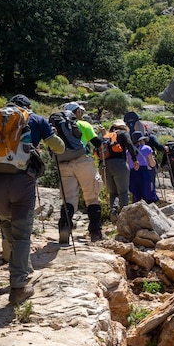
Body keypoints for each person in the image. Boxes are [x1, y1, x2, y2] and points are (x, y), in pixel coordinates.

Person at [0, 94, 65, 304]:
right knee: (22, 234)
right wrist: (51, 134)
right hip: (22, 183)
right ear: (28, 106)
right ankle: (18, 287)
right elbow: (59, 148)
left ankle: (20, 265)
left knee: (6, 223)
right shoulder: (35, 119)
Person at [55, 102, 104, 243]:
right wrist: (103, 135)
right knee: (92, 196)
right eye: (80, 112)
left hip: (63, 162)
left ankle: (64, 227)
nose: (81, 114)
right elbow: (97, 143)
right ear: (76, 112)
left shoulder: (60, 126)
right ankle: (95, 231)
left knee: (68, 198)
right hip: (83, 161)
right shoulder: (84, 125)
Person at [98, 120, 138, 224]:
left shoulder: (105, 136)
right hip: (119, 164)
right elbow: (129, 145)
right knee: (123, 192)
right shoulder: (123, 133)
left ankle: (114, 210)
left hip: (103, 166)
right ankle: (125, 216)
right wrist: (135, 160)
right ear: (123, 127)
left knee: (113, 192)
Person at [128, 132, 158, 203]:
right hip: (144, 173)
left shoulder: (128, 151)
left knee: (136, 195)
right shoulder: (147, 148)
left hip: (132, 174)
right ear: (141, 140)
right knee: (148, 194)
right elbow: (152, 164)